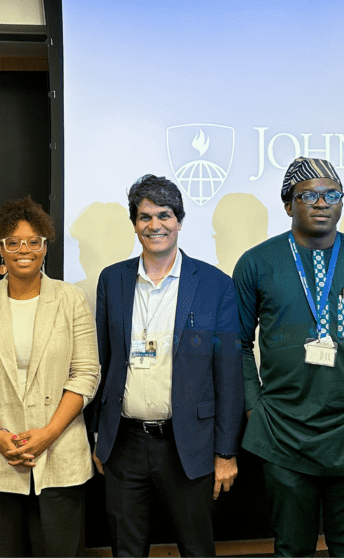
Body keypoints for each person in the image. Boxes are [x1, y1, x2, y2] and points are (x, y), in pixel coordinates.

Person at [233, 157, 344, 557]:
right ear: (289, 204)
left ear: (342, 202)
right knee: (292, 548)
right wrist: (253, 406)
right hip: (283, 429)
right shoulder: (257, 263)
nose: (321, 202)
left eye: (332, 194)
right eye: (307, 195)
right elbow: (235, 344)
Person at [91, 174, 244, 558]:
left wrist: (226, 452)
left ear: (179, 220)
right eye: (145, 217)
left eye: (164, 215)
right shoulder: (113, 280)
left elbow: (228, 375)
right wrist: (99, 435)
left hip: (187, 443)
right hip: (124, 443)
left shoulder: (215, 285)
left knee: (196, 549)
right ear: (134, 223)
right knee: (126, 550)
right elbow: (104, 360)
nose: (155, 225)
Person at [0, 196, 100, 557]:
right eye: (13, 242)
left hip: (60, 454)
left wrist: (48, 434)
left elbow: (86, 374)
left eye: (34, 242)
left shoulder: (72, 299)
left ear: (46, 247)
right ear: (1, 248)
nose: (24, 250)